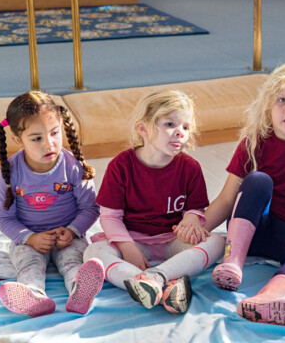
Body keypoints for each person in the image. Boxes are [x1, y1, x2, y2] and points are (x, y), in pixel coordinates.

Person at [176, 60, 285, 327]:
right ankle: (233, 264)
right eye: (282, 100)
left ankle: (267, 299)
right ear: (268, 107)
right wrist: (200, 224)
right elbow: (228, 198)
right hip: (248, 231)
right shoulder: (255, 143)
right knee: (259, 180)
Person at [83, 90, 225, 314]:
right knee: (92, 252)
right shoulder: (121, 166)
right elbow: (110, 217)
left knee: (217, 241)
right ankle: (141, 283)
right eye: (170, 124)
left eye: (186, 127)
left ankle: (157, 277)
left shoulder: (190, 168)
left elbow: (194, 209)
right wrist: (127, 248)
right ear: (143, 129)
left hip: (172, 241)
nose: (180, 132)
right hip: (133, 241)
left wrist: (191, 220)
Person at [0, 91, 103, 317]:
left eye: (54, 133)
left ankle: (79, 291)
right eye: (37, 138)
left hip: (68, 238)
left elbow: (90, 208)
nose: (49, 143)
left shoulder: (74, 167)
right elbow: (4, 218)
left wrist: (73, 231)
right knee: (29, 264)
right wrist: (30, 238)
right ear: (17, 140)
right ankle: (34, 296)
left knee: (73, 262)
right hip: (29, 239)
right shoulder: (11, 172)